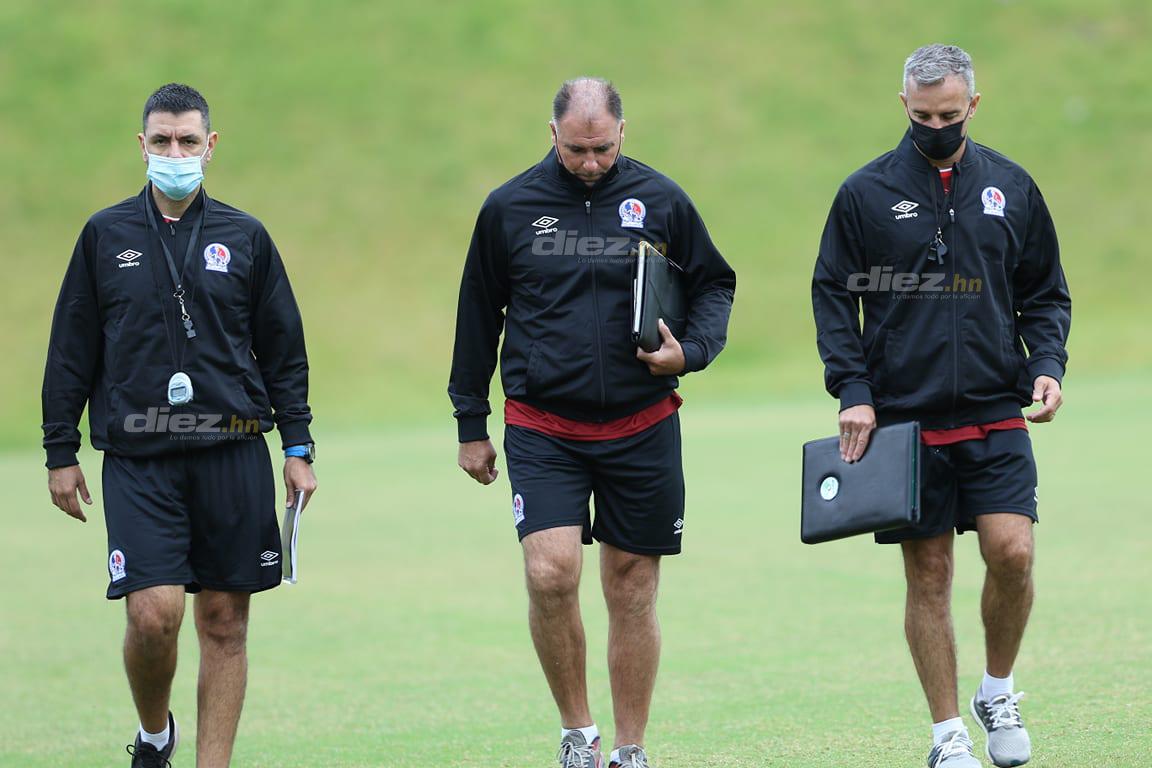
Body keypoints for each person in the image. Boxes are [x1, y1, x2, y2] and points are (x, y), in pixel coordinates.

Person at [449, 77, 735, 768]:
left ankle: (630, 749)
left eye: (602, 149)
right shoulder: (509, 207)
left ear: (622, 133)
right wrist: (470, 422)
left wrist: (688, 353)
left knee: (632, 585)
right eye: (576, 150)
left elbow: (714, 284)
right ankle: (579, 736)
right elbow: (477, 314)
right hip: (545, 425)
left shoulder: (662, 199)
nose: (590, 163)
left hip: (642, 422)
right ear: (552, 135)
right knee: (551, 573)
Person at [42, 83, 318, 768]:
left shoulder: (245, 236)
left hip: (232, 451)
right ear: (142, 146)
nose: (175, 153)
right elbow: (72, 346)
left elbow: (283, 349)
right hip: (139, 456)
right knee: (153, 613)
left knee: (225, 621)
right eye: (162, 141)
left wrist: (299, 445)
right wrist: (59, 449)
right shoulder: (105, 236)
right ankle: (156, 734)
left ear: (210, 147)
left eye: (188, 141)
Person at [812, 44, 1071, 768]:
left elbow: (1045, 292)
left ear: (974, 107)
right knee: (928, 575)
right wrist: (854, 391)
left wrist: (1046, 365)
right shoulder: (864, 193)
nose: (935, 126)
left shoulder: (1011, 187)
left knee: (1012, 552)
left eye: (949, 115)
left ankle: (996, 689)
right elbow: (834, 296)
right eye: (922, 115)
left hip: (994, 406)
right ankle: (947, 732)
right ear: (903, 106)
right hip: (906, 418)